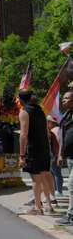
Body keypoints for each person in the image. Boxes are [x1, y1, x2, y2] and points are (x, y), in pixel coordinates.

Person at [18, 90, 54, 215]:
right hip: (44, 147)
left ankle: (38, 208)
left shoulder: (24, 112)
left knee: (36, 179)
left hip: (33, 149)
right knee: (44, 176)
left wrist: (22, 156)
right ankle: (48, 205)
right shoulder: (40, 110)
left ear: (21, 100)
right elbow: (46, 132)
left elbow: (23, 135)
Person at [57, 91, 73, 225]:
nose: (63, 101)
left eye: (66, 98)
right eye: (63, 99)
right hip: (70, 156)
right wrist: (60, 154)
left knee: (71, 185)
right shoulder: (66, 116)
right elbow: (62, 136)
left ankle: (71, 215)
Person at [47, 115, 63, 198]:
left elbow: (57, 143)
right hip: (54, 155)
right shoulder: (53, 130)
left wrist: (57, 155)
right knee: (54, 174)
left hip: (54, 155)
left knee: (56, 173)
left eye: (48, 122)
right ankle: (57, 190)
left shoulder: (54, 130)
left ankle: (58, 190)